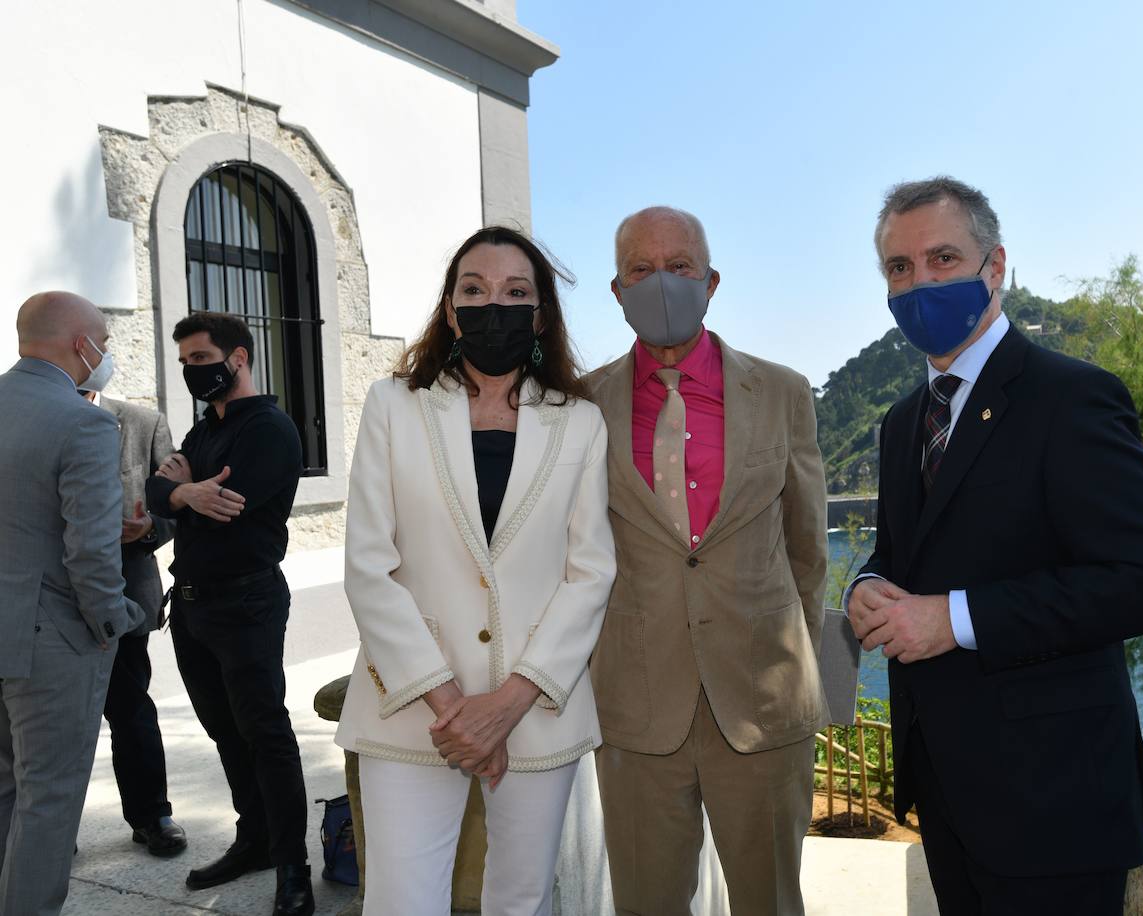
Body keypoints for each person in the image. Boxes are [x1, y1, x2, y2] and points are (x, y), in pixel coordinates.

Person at [845, 176, 1143, 914]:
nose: (920, 283)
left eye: (943, 258)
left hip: (1055, 804)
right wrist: (864, 587)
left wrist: (955, 619)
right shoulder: (903, 422)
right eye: (899, 269)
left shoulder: (1073, 397)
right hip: (944, 793)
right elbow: (900, 556)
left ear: (994, 268)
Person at [334, 226, 615, 916]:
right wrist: (455, 710)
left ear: (541, 313)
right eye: (475, 290)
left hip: (535, 708)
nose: (496, 306)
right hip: (413, 710)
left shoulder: (579, 422)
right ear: (451, 310)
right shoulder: (392, 405)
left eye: (516, 292)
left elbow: (590, 573)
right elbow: (370, 564)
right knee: (402, 901)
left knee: (521, 899)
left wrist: (508, 703)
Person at [584, 206, 829, 915]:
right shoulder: (578, 406)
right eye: (641, 269)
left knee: (771, 904)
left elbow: (808, 551)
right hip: (635, 713)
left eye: (680, 267)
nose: (661, 282)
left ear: (712, 281)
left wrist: (799, 679)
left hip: (762, 706)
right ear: (617, 288)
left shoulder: (783, 392)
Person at [143, 311, 312, 916]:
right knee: (224, 730)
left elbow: (231, 506)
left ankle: (293, 866)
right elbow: (156, 491)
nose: (193, 372)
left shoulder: (268, 428)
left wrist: (183, 494)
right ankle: (256, 838)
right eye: (186, 363)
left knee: (265, 733)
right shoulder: (202, 431)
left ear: (237, 359)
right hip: (191, 607)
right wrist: (186, 492)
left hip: (246, 603)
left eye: (201, 360)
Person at [0, 291, 144, 916]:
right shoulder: (82, 420)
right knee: (49, 801)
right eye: (104, 344)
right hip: (52, 638)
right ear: (77, 344)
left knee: (8, 790)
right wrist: (113, 621)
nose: (105, 356)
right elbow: (91, 548)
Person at [79, 388, 187, 857]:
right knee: (51, 722)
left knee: (131, 711)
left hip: (124, 591)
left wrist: (151, 529)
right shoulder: (29, 413)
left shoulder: (142, 423)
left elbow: (176, 506)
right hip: (50, 598)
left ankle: (152, 815)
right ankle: (47, 828)